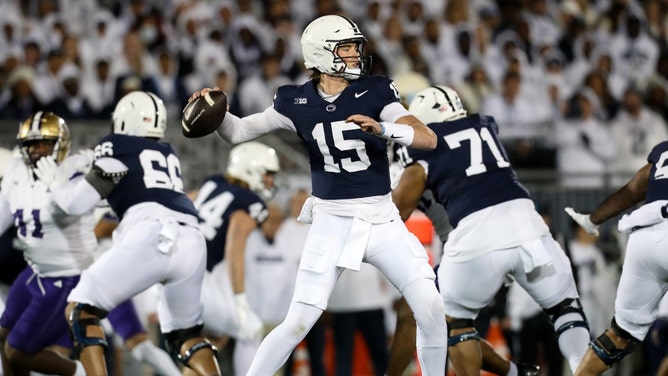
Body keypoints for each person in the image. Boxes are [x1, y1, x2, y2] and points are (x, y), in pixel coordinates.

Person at [190, 14, 448, 376]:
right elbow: (238, 132)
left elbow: (426, 137)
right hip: (332, 220)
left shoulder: (376, 90)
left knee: (431, 307)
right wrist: (216, 111)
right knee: (298, 321)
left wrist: (385, 128)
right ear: (322, 54)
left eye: (355, 48)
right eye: (346, 48)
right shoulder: (295, 101)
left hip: (382, 218)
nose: (356, 56)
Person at [391, 85, 591, 376]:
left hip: (475, 237)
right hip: (527, 224)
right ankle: (575, 371)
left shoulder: (424, 146)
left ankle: (511, 372)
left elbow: (399, 209)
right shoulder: (485, 125)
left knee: (453, 325)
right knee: (566, 311)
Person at [32, 91, 221, 376]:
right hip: (192, 240)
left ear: (125, 119)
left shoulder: (114, 145)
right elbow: (129, 191)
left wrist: (56, 182)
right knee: (187, 336)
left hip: (153, 235)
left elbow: (75, 203)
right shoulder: (167, 152)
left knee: (81, 310)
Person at [564, 139, 668, 375]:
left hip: (644, 240)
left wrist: (592, 220)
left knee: (618, 337)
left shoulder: (664, 152)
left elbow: (633, 189)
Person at [0, 112, 89, 376]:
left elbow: (74, 207)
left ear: (60, 144)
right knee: (3, 337)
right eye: (32, 144)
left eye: (46, 143)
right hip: (35, 271)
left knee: (18, 351)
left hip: (65, 275)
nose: (38, 151)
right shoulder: (17, 173)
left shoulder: (73, 172)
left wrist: (56, 185)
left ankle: (81, 371)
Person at [190, 141, 280, 376]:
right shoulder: (250, 202)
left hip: (176, 271)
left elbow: (184, 202)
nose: (271, 181)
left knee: (212, 338)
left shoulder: (213, 183)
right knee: (250, 330)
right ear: (251, 169)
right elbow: (234, 249)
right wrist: (240, 300)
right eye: (268, 174)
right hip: (197, 281)